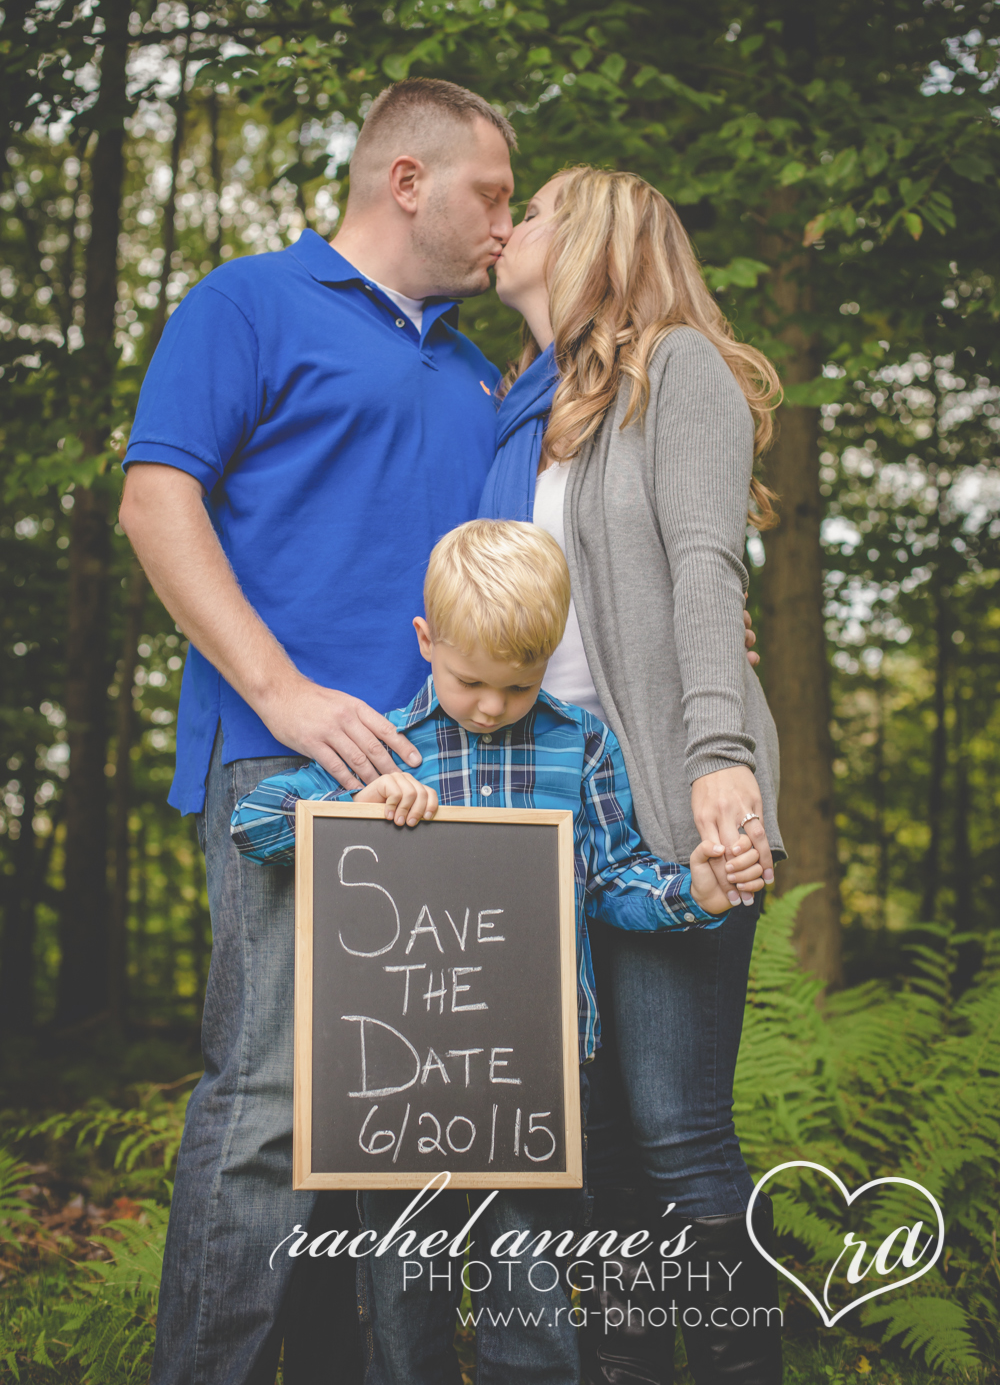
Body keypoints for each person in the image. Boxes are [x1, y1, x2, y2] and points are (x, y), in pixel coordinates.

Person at [117, 78, 519, 1385]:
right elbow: (154, 501)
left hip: (452, 783)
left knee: (403, 1124)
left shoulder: (479, 367)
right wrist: (284, 692)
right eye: (491, 194)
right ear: (408, 180)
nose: (506, 225)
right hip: (285, 766)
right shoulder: (247, 303)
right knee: (268, 1113)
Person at [230, 518, 768, 1385]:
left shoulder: (580, 746)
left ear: (551, 656)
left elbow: (610, 879)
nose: (490, 706)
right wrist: (360, 806)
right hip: (393, 1089)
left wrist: (693, 893)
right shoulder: (388, 748)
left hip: (539, 1082)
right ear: (426, 642)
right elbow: (251, 824)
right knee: (405, 1295)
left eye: (518, 687)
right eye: (471, 679)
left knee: (535, 1292)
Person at [480, 166, 786, 1384]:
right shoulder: (538, 405)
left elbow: (707, 567)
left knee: (675, 1136)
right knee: (595, 1148)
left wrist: (718, 757)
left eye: (537, 207)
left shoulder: (680, 369)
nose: (511, 225)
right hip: (538, 817)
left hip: (661, 805)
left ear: (594, 235)